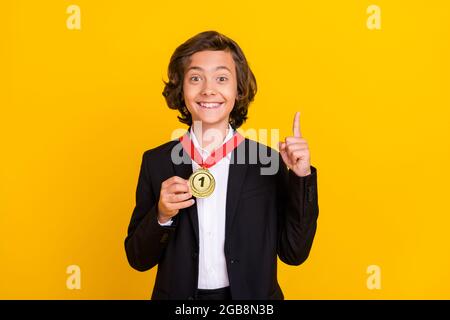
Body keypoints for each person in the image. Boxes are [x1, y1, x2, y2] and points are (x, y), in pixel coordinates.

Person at [124, 30, 319, 300]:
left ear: (238, 90)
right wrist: (162, 214)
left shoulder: (269, 162)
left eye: (222, 78)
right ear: (181, 89)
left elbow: (294, 253)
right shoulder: (156, 162)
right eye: (195, 78)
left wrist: (301, 176)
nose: (208, 89)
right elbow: (138, 258)